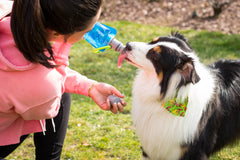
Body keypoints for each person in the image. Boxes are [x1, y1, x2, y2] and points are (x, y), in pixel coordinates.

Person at [0, 0, 127, 159]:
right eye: (86, 31)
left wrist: (90, 87)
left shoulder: (13, 9)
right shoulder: (41, 86)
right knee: (60, 98)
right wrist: (63, 47)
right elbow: (48, 106)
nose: (91, 31)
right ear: (57, 33)